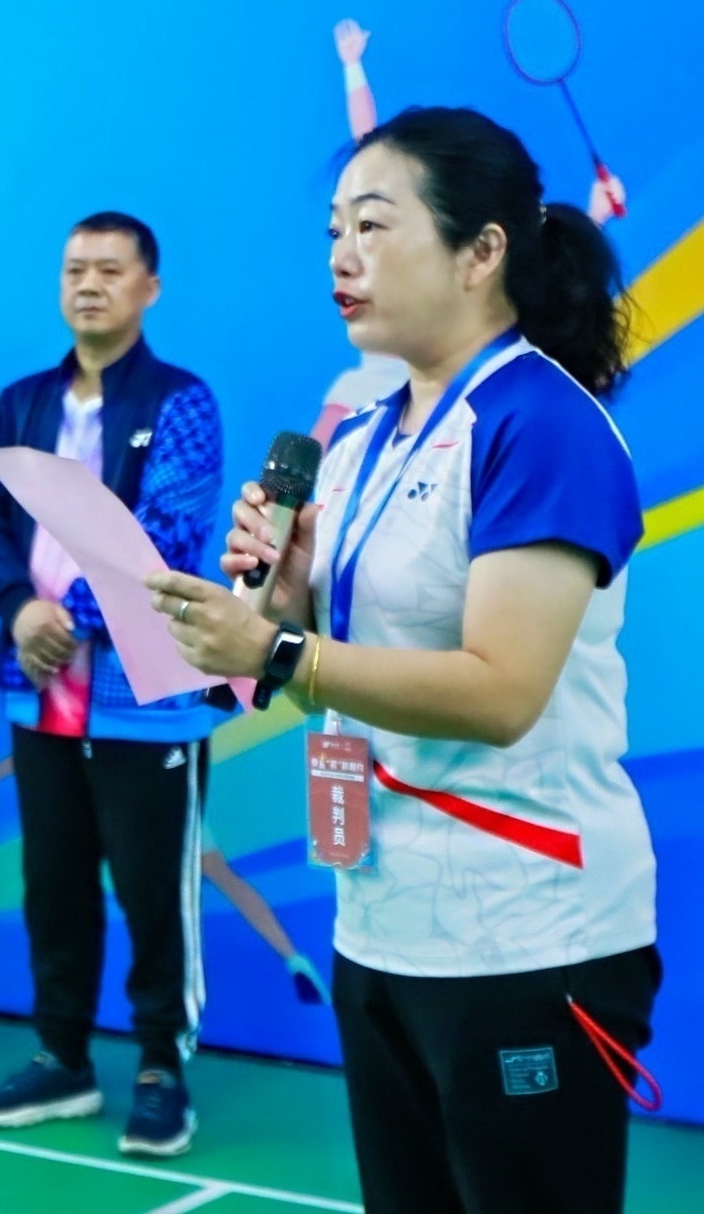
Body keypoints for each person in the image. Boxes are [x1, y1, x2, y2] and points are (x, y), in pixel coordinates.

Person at [150, 106, 657, 1214]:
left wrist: (281, 646)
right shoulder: (357, 442)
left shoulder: (540, 424)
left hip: (526, 933)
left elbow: (500, 690)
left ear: (482, 252)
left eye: (373, 226)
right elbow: (326, 677)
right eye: (333, 230)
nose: (342, 256)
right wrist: (280, 606)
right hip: (382, 922)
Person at [0, 212, 224, 1159]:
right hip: (37, 691)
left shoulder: (181, 401)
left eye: (111, 270)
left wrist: (65, 617)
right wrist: (16, 610)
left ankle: (160, 1068)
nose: (89, 284)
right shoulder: (23, 401)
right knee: (54, 883)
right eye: (75, 268)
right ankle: (63, 1056)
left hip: (142, 698)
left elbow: (167, 534)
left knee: (153, 892)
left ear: (149, 288)